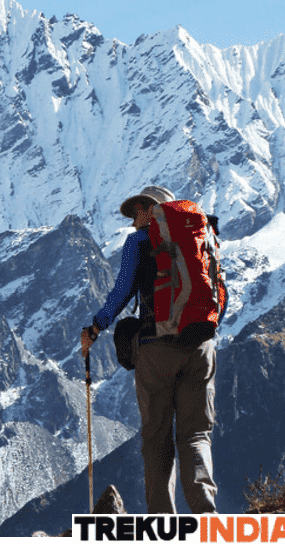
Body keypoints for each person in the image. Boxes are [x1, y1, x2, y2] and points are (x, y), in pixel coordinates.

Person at [80, 186, 218, 514]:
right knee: (196, 434)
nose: (131, 222)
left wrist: (95, 328)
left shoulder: (140, 241)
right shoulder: (202, 237)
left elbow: (123, 290)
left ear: (148, 209)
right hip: (201, 346)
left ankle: (162, 523)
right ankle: (206, 515)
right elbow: (217, 293)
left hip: (157, 348)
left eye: (135, 213)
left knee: (157, 439)